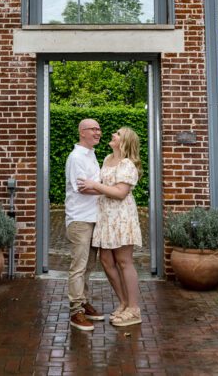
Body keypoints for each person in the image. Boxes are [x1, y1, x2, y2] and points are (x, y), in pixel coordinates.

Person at [78, 126, 143, 327]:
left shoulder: (128, 164)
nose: (112, 135)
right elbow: (100, 186)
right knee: (106, 261)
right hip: (105, 217)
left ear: (124, 141)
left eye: (117, 134)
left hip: (122, 217)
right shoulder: (106, 159)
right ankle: (123, 302)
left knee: (124, 262)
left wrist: (95, 186)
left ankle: (134, 308)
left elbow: (120, 192)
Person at [64, 118, 106, 331]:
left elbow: (93, 185)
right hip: (80, 219)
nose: (98, 132)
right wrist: (108, 189)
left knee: (89, 266)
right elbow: (83, 188)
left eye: (99, 129)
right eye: (93, 129)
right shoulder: (76, 157)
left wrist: (99, 187)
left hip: (93, 217)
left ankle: (83, 301)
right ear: (82, 132)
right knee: (78, 266)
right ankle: (75, 312)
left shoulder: (91, 155)